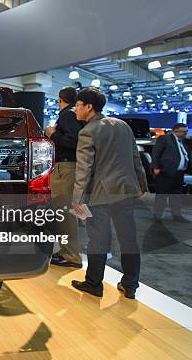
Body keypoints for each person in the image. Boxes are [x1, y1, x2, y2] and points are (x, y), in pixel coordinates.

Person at [70, 88, 148, 299]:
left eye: (77, 105)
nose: (74, 109)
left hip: (100, 194)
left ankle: (94, 284)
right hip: (125, 191)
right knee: (128, 238)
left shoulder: (88, 131)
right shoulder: (122, 126)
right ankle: (130, 285)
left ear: (89, 107)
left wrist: (76, 199)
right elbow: (135, 159)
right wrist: (142, 186)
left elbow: (83, 169)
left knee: (98, 239)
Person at [44, 86, 84, 268]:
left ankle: (71, 255)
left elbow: (74, 140)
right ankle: (68, 250)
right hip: (71, 167)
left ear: (60, 100)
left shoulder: (67, 114)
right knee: (67, 211)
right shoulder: (75, 114)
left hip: (66, 167)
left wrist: (53, 134)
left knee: (64, 212)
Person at [152, 123, 191, 223]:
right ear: (176, 131)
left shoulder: (182, 141)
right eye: (184, 131)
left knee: (176, 195)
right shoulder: (164, 139)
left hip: (179, 173)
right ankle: (157, 216)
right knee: (162, 195)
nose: (186, 133)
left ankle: (176, 215)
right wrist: (156, 167)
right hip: (166, 172)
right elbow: (156, 153)